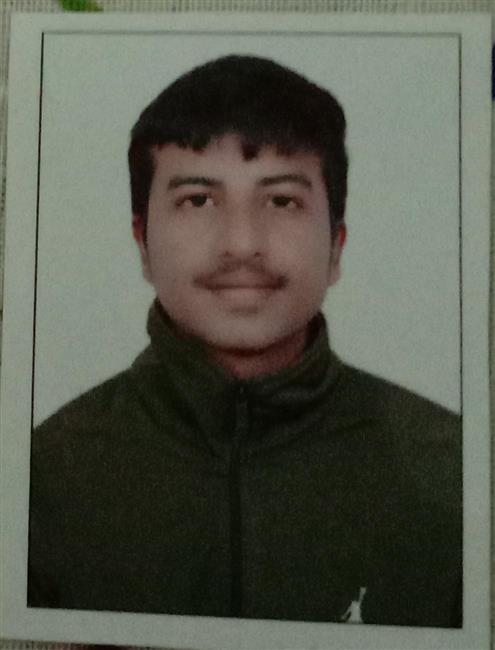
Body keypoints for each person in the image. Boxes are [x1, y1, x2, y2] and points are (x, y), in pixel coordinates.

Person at [28, 54, 462, 627]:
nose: (240, 243)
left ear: (336, 246)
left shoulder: (452, 470)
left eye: (282, 200)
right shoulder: (42, 477)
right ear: (142, 243)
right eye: (198, 199)